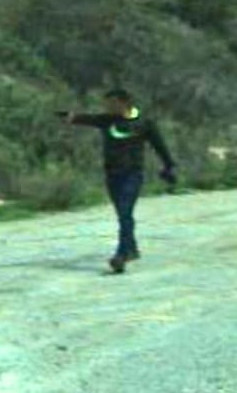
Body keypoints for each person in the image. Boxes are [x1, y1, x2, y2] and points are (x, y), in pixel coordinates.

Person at [59, 88, 176, 274]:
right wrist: (69, 116)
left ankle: (121, 255)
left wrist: (169, 166)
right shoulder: (107, 120)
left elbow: (159, 145)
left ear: (124, 102)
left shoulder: (144, 122)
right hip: (112, 175)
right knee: (123, 214)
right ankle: (132, 248)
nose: (107, 107)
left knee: (124, 211)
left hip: (133, 174)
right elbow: (87, 119)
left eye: (111, 103)